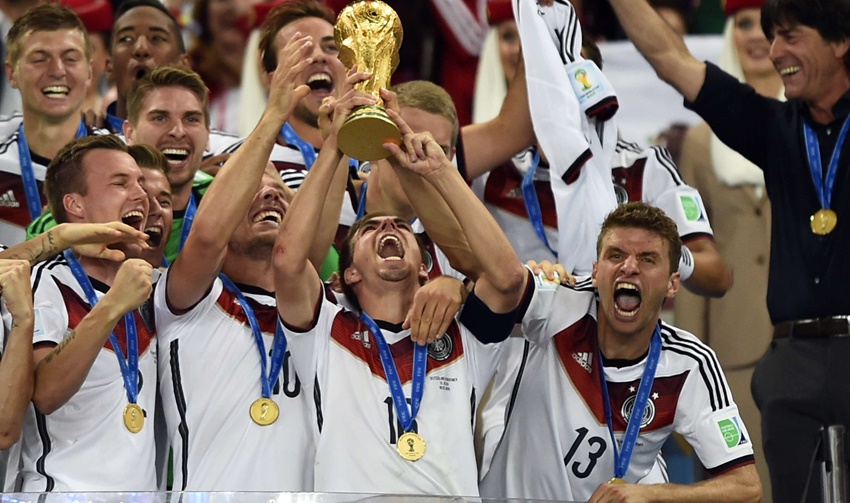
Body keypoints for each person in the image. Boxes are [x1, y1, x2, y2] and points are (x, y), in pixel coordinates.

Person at [604, 0, 850, 501]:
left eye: (791, 37)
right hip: (790, 363)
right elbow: (671, 60)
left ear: (841, 41)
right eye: (771, 37)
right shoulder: (776, 127)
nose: (774, 52)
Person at [273, 85, 528, 494]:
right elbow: (287, 262)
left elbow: (508, 277)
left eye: (401, 228)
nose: (389, 225)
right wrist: (335, 144)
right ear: (348, 274)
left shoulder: (463, 335)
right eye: (370, 228)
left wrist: (440, 170)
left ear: (425, 266)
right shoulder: (325, 330)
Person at [479, 201, 761, 502]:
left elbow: (747, 488)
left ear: (672, 285)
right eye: (616, 255)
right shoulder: (557, 302)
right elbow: (492, 281)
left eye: (648, 259)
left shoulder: (689, 364)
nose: (629, 267)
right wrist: (454, 286)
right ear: (595, 272)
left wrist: (651, 496)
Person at [152, 31, 317, 491]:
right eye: (252, 189)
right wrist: (274, 114)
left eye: (278, 189)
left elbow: (304, 247)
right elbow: (207, 236)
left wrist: (337, 141)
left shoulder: (322, 311)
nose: (269, 193)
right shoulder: (186, 299)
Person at [673, 0, 780, 497]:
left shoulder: (818, 125)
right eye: (743, 23)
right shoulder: (700, 142)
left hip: (816, 338)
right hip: (733, 348)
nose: (756, 35)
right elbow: (692, 259)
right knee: (744, 486)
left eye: (766, 23)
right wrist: (688, 366)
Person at [18, 134, 155, 491]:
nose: (141, 194)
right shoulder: (46, 281)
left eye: (140, 182)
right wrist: (112, 305)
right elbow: (46, 393)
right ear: (75, 205)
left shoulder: (154, 289)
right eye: (120, 183)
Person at [0, 4, 97, 246]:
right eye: (40, 59)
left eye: (70, 58)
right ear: (12, 74)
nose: (57, 71)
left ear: (89, 72)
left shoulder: (125, 159)